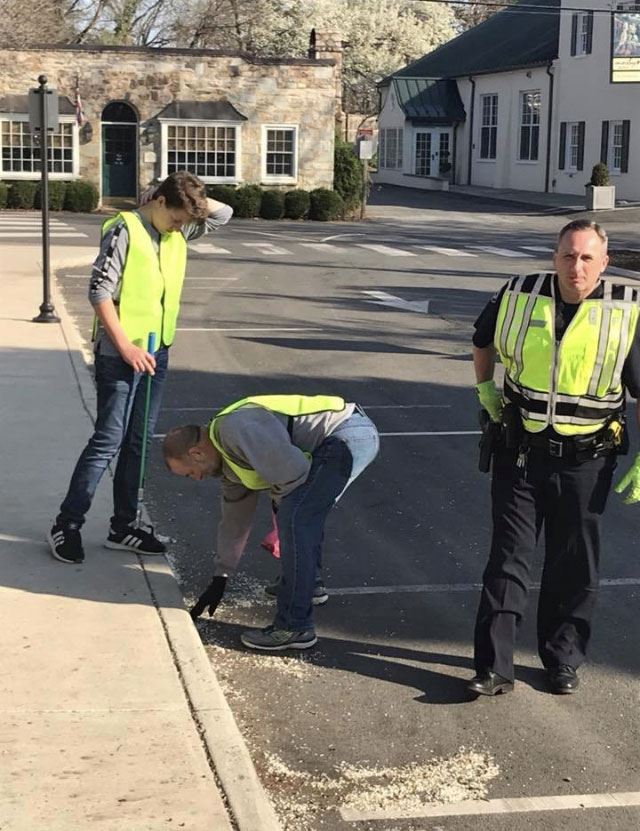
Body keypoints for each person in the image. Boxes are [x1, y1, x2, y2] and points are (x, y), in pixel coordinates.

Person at [468, 219, 640, 696]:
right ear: (554, 257)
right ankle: (494, 667)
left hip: (588, 459)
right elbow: (482, 340)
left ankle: (563, 659)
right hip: (520, 450)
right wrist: (486, 392)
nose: (576, 266)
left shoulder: (625, 310)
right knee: (508, 558)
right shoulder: (519, 293)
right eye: (568, 255)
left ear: (605, 263)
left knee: (574, 562)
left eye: (587, 257)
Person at [48, 171, 233, 564]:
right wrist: (126, 346)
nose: (181, 228)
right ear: (160, 204)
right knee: (107, 441)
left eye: (185, 222)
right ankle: (67, 524)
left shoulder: (175, 231)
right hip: (121, 354)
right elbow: (99, 292)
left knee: (137, 442)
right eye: (177, 218)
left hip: (156, 351)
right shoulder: (125, 229)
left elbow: (224, 213)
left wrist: (190, 193)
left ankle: (124, 526)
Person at [163, 394, 379, 651]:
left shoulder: (235, 429)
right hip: (340, 438)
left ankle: (294, 626)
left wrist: (282, 522)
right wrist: (220, 576)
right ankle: (308, 585)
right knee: (299, 516)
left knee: (296, 518)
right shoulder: (227, 464)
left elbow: (294, 473)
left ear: (196, 453)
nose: (196, 478)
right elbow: (235, 521)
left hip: (348, 434)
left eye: (189, 472)